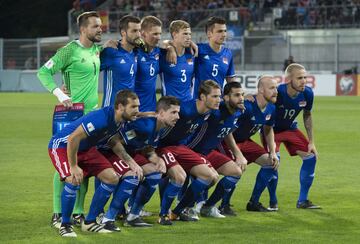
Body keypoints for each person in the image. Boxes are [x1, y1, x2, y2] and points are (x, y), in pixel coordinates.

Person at [38, 11, 104, 228]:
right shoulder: (69, 51)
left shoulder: (96, 49)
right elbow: (43, 73)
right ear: (83, 29)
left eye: (100, 25)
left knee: (82, 166)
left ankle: (78, 212)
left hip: (91, 116)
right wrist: (61, 94)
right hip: (71, 115)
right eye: (95, 26)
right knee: (65, 165)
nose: (100, 29)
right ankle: (57, 212)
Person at [48, 90, 142, 237]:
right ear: (120, 107)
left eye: (138, 106)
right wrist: (73, 166)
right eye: (134, 107)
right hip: (62, 146)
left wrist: (131, 162)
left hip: (86, 149)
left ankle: (90, 222)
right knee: (73, 179)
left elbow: (112, 141)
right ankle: (65, 224)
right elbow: (73, 138)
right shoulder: (101, 118)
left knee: (112, 178)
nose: (137, 111)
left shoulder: (120, 121)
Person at [109, 96, 181, 227]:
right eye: (173, 112)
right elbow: (116, 141)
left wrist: (158, 160)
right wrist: (131, 163)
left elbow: (147, 148)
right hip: (112, 152)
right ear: (161, 113)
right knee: (133, 176)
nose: (178, 117)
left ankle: (133, 216)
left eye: (178, 112)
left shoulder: (160, 127)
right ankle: (109, 217)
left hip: (131, 153)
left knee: (155, 173)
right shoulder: (145, 126)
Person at [157, 80, 221, 222]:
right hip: (162, 147)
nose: (219, 100)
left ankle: (178, 211)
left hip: (180, 148)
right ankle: (163, 214)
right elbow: (159, 124)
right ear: (203, 97)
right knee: (177, 176)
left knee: (209, 176)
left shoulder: (208, 112)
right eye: (215, 96)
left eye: (220, 96)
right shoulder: (184, 110)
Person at [263, 63, 320, 209]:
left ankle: (303, 200)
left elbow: (307, 115)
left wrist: (311, 142)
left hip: (290, 129)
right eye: (300, 78)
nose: (304, 81)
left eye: (305, 77)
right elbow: (266, 117)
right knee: (274, 161)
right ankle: (273, 201)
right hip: (271, 131)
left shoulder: (307, 93)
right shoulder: (278, 92)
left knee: (311, 157)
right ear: (289, 79)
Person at [221, 75, 279, 212]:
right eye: (271, 88)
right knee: (236, 169)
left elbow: (269, 129)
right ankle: (224, 204)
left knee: (271, 163)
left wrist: (272, 151)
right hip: (229, 142)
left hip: (246, 142)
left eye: (276, 88)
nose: (276, 91)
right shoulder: (246, 106)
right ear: (260, 90)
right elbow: (228, 128)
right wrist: (238, 154)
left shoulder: (271, 108)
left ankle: (253, 202)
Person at [186, 82, 245, 218]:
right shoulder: (215, 111)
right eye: (236, 95)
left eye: (242, 94)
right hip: (194, 151)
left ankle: (208, 207)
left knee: (236, 172)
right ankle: (187, 206)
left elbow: (227, 131)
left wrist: (238, 154)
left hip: (210, 152)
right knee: (207, 178)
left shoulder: (238, 111)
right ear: (226, 97)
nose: (241, 98)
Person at [101, 15, 141, 107]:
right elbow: (89, 70)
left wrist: (170, 47)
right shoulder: (111, 51)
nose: (138, 34)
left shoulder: (136, 52)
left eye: (139, 30)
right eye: (134, 31)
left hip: (128, 111)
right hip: (111, 110)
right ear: (123, 32)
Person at [193, 16, 236, 96]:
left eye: (225, 31)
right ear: (209, 33)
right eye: (219, 31)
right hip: (200, 103)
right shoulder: (198, 50)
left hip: (218, 103)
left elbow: (231, 80)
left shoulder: (228, 53)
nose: (224, 34)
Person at [159, 20, 195, 102]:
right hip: (170, 107)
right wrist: (169, 47)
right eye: (185, 34)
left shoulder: (191, 54)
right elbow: (160, 45)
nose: (189, 37)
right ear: (174, 34)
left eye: (190, 34)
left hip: (188, 106)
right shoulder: (164, 56)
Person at [135, 16, 162, 112]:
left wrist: (170, 47)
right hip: (134, 110)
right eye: (155, 34)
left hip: (152, 110)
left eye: (160, 34)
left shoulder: (160, 53)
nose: (158, 37)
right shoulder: (133, 52)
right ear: (143, 33)